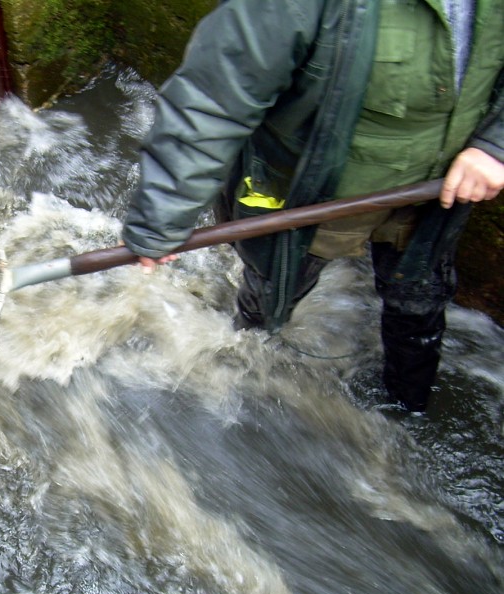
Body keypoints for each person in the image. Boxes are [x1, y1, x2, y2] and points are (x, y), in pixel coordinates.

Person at [121, 0, 504, 412]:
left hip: (436, 195)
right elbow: (213, 97)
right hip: (309, 200)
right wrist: (162, 218)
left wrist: (494, 146)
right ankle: (240, 383)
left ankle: (410, 408)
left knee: (420, 305)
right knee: (270, 297)